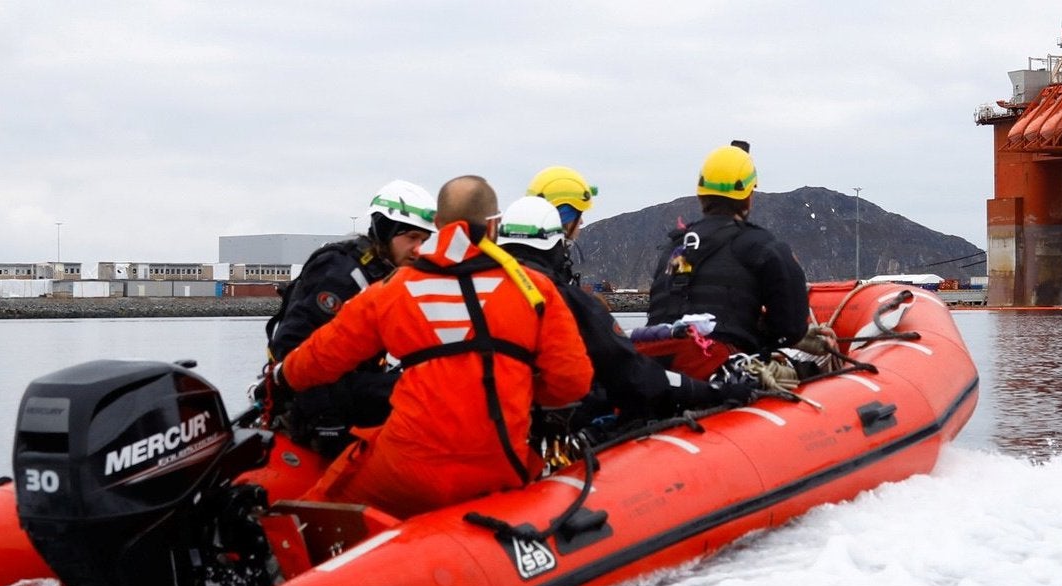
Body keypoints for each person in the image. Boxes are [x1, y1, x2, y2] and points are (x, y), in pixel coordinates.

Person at [273, 175, 593, 514]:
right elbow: (572, 380)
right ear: (495, 226)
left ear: (438, 225)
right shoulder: (536, 290)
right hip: (500, 463)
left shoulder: (394, 289)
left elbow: (320, 356)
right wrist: (519, 389)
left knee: (318, 509)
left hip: (407, 469)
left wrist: (280, 379)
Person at [495, 194, 737, 425]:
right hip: (538, 436)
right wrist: (706, 390)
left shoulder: (474, 291)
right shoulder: (569, 302)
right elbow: (631, 373)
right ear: (557, 244)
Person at [260, 180, 435, 457]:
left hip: (349, 386)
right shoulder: (341, 273)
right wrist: (328, 425)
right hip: (317, 397)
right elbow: (293, 348)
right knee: (412, 393)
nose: (418, 249)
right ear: (386, 231)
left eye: (423, 241)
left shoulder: (384, 275)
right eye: (411, 238)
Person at [645, 141, 810, 356]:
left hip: (659, 369)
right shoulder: (763, 247)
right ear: (748, 197)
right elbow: (791, 329)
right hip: (722, 371)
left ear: (701, 195)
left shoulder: (673, 249)